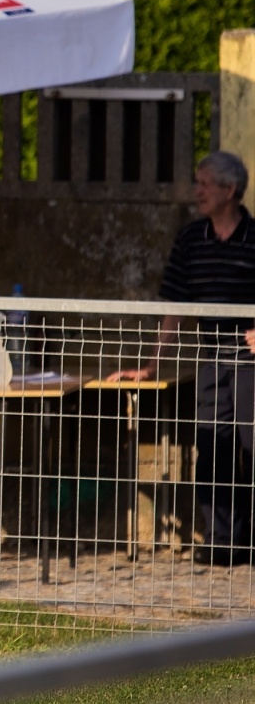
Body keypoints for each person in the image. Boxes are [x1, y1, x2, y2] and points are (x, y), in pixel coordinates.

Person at [109, 151, 255, 566]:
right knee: (212, 448)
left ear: (230, 189)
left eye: (205, 183)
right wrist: (152, 364)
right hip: (213, 357)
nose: (198, 191)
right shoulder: (191, 239)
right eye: (197, 182)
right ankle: (223, 541)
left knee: (253, 443)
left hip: (252, 363)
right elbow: (174, 305)